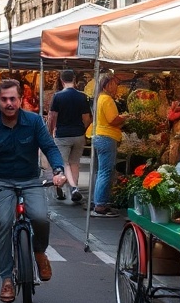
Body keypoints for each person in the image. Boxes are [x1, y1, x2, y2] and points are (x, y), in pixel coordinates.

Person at [0, 78, 66, 303]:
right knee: (4, 222)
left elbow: (50, 147)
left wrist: (58, 170)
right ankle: (6, 278)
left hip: (30, 180)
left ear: (20, 100)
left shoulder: (34, 122)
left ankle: (39, 251)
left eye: (13, 98)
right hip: (0, 181)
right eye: (4, 99)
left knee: (41, 218)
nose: (9, 103)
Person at [45, 70, 92, 204]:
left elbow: (52, 116)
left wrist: (51, 131)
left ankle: (64, 189)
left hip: (63, 135)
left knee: (62, 163)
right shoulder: (82, 96)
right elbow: (87, 118)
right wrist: (82, 129)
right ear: (74, 79)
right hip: (78, 135)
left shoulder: (58, 96)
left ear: (61, 80)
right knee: (74, 163)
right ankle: (74, 189)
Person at [90, 75, 127, 218]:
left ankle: (99, 202)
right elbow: (113, 120)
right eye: (113, 84)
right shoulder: (107, 99)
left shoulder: (99, 98)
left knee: (101, 172)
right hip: (107, 137)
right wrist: (125, 118)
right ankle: (100, 205)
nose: (116, 87)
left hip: (100, 136)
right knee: (105, 172)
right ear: (106, 85)